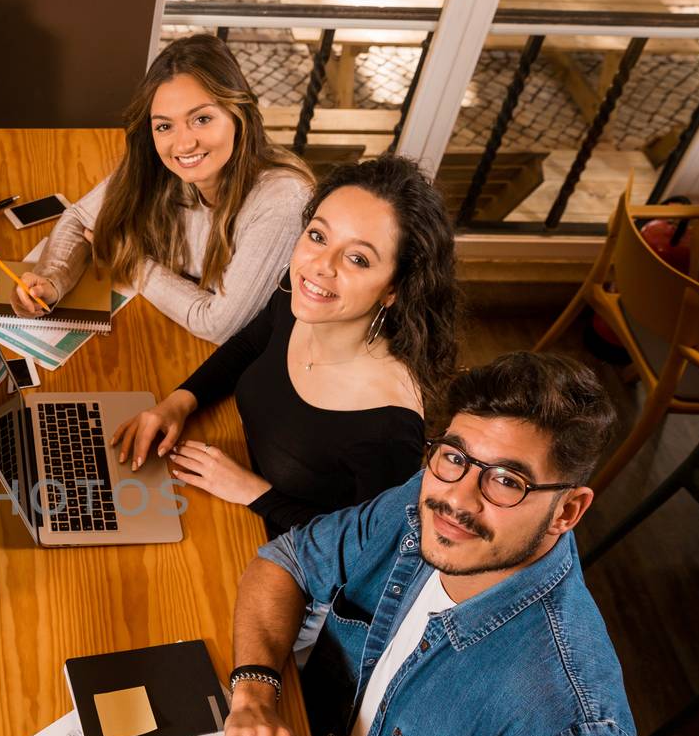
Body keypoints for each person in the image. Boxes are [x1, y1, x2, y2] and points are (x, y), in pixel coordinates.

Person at [222, 352, 649, 736]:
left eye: (507, 480)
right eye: (454, 456)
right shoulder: (429, 505)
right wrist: (256, 688)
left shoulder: (564, 718)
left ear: (567, 511)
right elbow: (286, 560)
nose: (458, 498)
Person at [112, 155, 461, 538]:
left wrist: (253, 491)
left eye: (358, 259)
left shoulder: (389, 426)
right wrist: (178, 403)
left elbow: (369, 546)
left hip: (282, 554)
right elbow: (250, 343)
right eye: (317, 236)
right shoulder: (301, 299)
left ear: (394, 288)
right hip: (224, 492)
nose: (320, 266)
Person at [11, 34, 313, 344]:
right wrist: (52, 279)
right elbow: (80, 219)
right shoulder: (161, 163)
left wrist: (133, 262)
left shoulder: (282, 201)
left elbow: (220, 326)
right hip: (176, 336)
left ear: (238, 114)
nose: (183, 144)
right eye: (164, 126)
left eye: (202, 119)